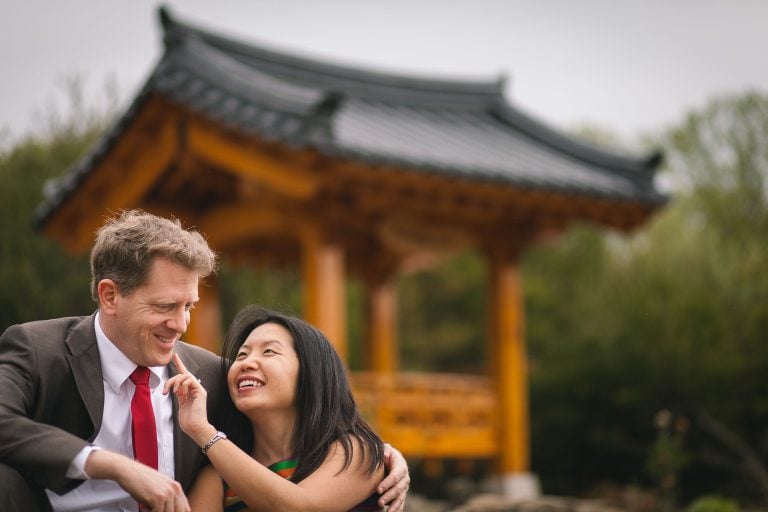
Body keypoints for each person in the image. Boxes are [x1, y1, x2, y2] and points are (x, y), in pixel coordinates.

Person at [0, 210, 409, 511]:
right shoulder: (39, 349)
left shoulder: (211, 374)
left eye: (190, 306)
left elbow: (292, 415)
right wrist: (112, 466)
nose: (180, 325)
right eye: (165, 306)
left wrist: (383, 454)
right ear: (110, 296)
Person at [165, 305, 394, 511]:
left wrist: (204, 432)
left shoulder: (353, 450)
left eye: (269, 352)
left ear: (310, 372)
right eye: (242, 354)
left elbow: (298, 507)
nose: (246, 362)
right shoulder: (217, 477)